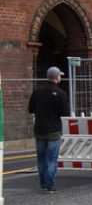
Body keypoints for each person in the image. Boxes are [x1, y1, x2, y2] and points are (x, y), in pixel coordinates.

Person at [28, 66, 70, 194]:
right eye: (60, 76)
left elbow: (31, 109)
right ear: (57, 78)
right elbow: (65, 112)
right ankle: (49, 185)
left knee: (41, 159)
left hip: (39, 129)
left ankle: (43, 183)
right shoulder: (60, 93)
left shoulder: (37, 91)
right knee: (51, 159)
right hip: (54, 130)